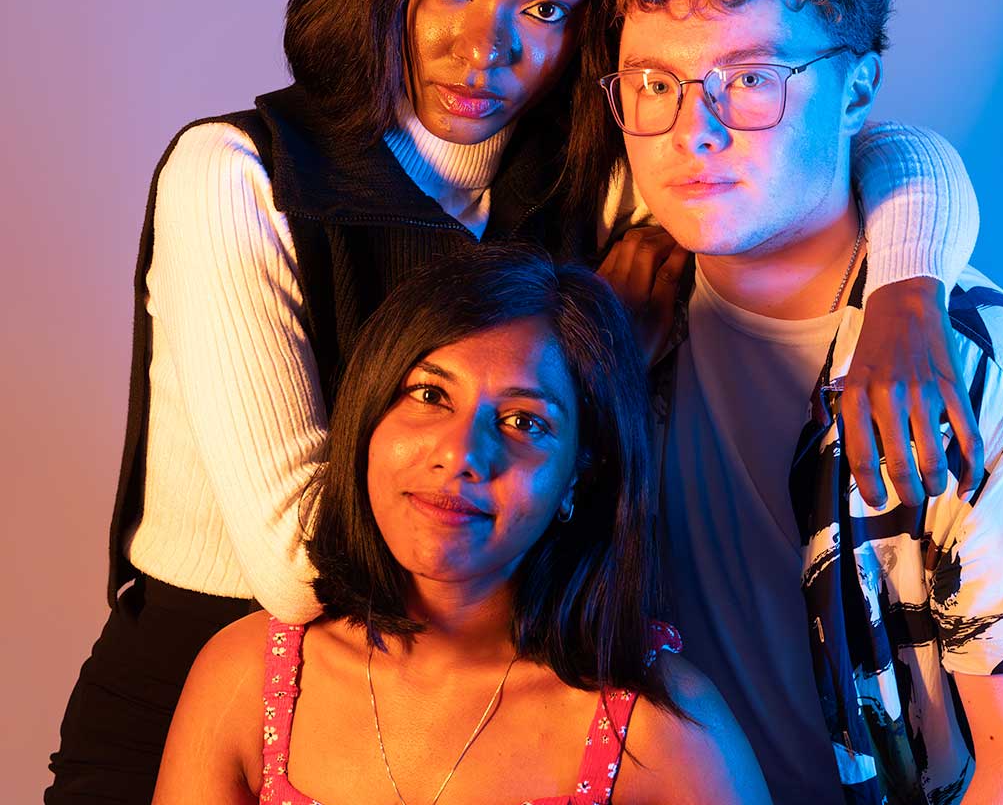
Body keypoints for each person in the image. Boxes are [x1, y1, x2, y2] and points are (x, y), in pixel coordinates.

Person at [49, 0, 978, 802]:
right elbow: (300, 569)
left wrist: (906, 286)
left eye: (545, 8)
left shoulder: (595, 170)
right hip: (217, 685)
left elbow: (865, 150)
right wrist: (593, 353)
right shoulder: (240, 178)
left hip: (479, 705)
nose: (482, 46)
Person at [598, 0, 1003, 803]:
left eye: (750, 79)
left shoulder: (989, 384)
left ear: (857, 92)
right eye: (655, 82)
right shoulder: (618, 303)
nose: (692, 132)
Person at [150, 246, 771, 805]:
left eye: (524, 422)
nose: (461, 455)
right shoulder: (246, 677)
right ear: (370, 417)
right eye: (428, 395)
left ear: (577, 478)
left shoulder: (661, 728)